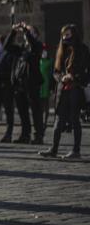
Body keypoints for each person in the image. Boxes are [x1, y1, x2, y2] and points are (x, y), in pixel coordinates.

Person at [39, 25, 89, 160]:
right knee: (58, 120)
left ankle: (76, 151)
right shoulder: (62, 50)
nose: (65, 37)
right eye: (63, 35)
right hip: (63, 90)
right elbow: (56, 71)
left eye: (68, 34)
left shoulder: (83, 49)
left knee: (75, 119)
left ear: (74, 34)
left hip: (76, 89)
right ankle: (53, 149)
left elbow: (86, 70)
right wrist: (62, 77)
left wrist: (74, 77)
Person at [5, 22, 45, 144]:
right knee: (22, 112)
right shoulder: (21, 48)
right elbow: (7, 46)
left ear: (36, 35)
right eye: (27, 31)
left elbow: (33, 45)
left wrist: (26, 30)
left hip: (32, 84)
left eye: (31, 31)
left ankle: (38, 136)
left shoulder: (38, 46)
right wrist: (13, 32)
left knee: (36, 111)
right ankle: (25, 135)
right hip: (19, 84)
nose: (26, 33)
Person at [39, 44, 54, 128]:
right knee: (39, 105)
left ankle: (45, 122)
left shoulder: (50, 61)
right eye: (42, 50)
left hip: (46, 85)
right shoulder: (38, 60)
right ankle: (40, 121)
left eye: (45, 50)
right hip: (39, 85)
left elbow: (52, 75)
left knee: (46, 104)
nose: (44, 52)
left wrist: (51, 87)